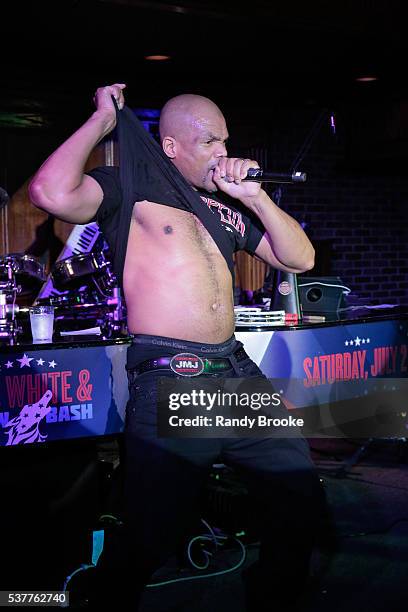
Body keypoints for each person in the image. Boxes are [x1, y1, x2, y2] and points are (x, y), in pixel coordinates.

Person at [29, 84, 325, 611]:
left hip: (234, 373)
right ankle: (80, 600)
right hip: (174, 376)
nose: (222, 152)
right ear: (171, 147)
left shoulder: (226, 209)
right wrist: (102, 120)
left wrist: (255, 196)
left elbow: (300, 260)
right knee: (151, 534)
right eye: (209, 141)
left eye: (225, 140)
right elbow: (50, 193)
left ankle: (271, 596)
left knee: (299, 498)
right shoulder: (128, 189)